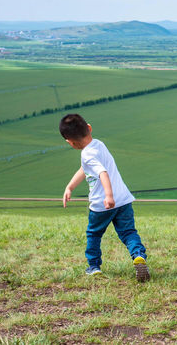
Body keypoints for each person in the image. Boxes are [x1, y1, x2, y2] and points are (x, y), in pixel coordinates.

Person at [59, 113, 150, 282]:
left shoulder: (87, 154)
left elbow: (102, 172)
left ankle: (93, 267)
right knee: (129, 232)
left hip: (103, 204)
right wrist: (70, 186)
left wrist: (108, 196)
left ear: (70, 142)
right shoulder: (99, 144)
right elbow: (85, 169)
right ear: (89, 128)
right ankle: (138, 255)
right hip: (123, 200)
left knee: (94, 234)